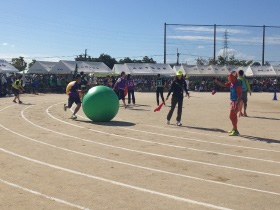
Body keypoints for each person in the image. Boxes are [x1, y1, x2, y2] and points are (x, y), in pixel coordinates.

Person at [214, 71, 242, 136]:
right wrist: (217, 81)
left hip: (237, 101)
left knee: (231, 116)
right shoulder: (231, 83)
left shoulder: (237, 85)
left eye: (229, 76)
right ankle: (235, 129)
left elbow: (240, 96)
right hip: (233, 101)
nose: (228, 78)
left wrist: (237, 105)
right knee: (233, 116)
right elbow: (224, 85)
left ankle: (235, 130)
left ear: (233, 77)